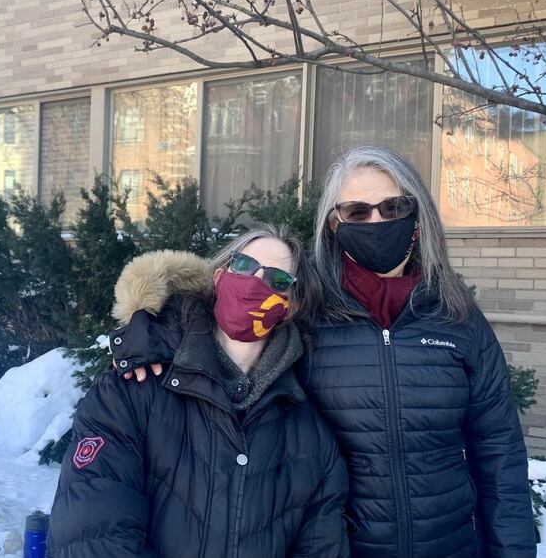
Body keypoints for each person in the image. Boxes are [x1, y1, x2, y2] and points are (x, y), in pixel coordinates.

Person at [115, 145, 537, 557]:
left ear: (417, 215)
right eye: (357, 211)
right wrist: (147, 336)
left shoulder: (457, 315)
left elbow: (499, 451)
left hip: (451, 546)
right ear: (334, 224)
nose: (376, 220)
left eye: (393, 207)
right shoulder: (306, 308)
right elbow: (218, 326)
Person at [48, 226, 350, 558]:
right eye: (245, 267)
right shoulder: (132, 389)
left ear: (290, 305)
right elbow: (91, 534)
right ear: (220, 276)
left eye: (277, 280)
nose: (255, 283)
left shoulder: (311, 438)